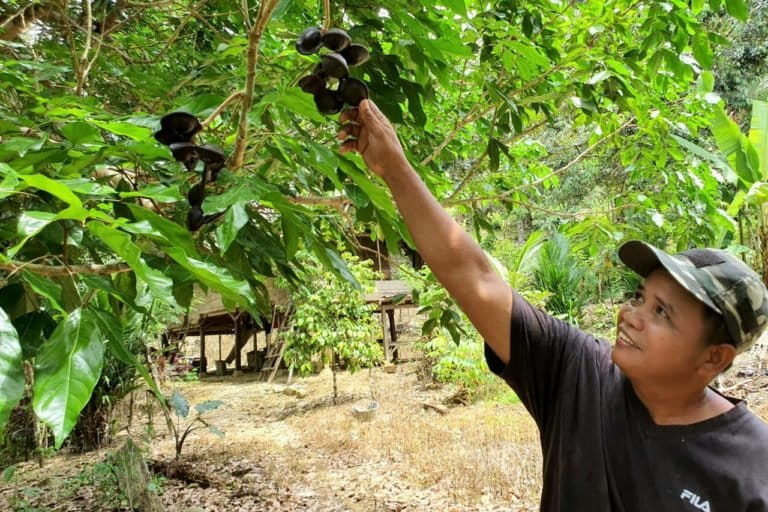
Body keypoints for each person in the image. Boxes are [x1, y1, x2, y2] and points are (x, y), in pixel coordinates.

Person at [337, 99, 768, 511]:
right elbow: (474, 276)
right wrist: (393, 167)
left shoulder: (752, 468)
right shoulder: (577, 371)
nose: (632, 315)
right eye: (639, 296)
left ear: (714, 357)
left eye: (662, 313)